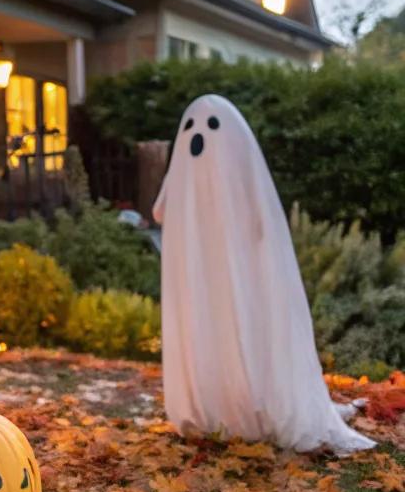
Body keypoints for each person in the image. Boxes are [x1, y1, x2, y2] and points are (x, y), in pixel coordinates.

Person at [153, 94, 373, 454]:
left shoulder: (238, 180)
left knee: (241, 334)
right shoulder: (187, 179)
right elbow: (163, 209)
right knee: (211, 333)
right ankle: (213, 406)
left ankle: (250, 405)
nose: (199, 137)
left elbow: (257, 222)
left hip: (237, 284)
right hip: (202, 286)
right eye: (191, 127)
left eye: (212, 128)